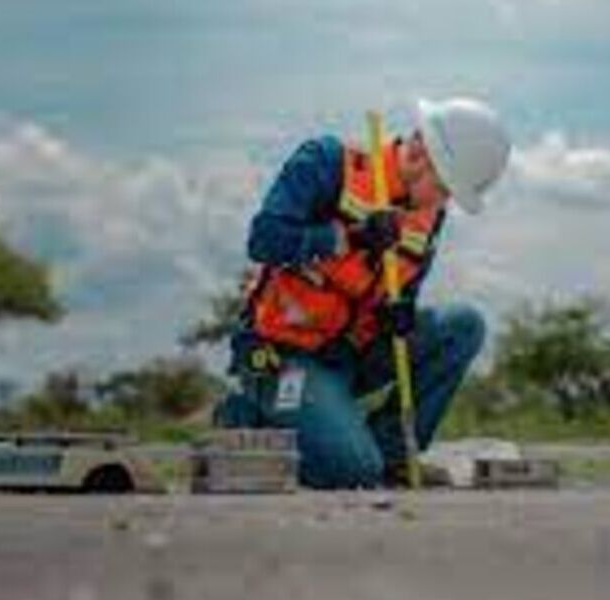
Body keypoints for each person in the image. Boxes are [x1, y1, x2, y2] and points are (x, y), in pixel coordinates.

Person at [215, 97, 511, 489]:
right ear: (420, 148)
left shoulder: (429, 216)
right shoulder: (326, 162)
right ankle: (248, 414)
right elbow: (264, 240)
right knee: (352, 471)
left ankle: (393, 455)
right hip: (285, 355)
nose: (442, 203)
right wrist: (347, 237)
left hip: (353, 355)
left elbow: (405, 290)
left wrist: (400, 314)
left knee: (463, 325)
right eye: (442, 187)